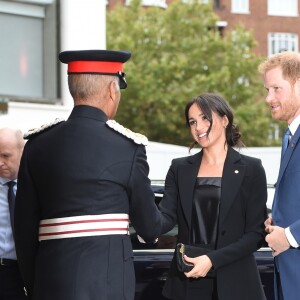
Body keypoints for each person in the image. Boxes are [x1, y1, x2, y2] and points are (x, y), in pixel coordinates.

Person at [14, 50, 162, 300]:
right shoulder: (128, 147)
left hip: (50, 287)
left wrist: (34, 285)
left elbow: (24, 230)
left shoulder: (37, 145)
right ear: (111, 91)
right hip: (108, 290)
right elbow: (150, 228)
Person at [158, 93, 267, 300]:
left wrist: (211, 259)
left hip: (236, 281)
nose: (198, 127)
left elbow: (255, 234)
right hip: (187, 281)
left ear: (225, 120)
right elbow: (165, 218)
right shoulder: (179, 168)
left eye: (205, 118)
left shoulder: (252, 169)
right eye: (192, 122)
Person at [258, 51, 300, 300]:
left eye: (276, 88)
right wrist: (277, 220)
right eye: (266, 89)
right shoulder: (289, 137)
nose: (268, 98)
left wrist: (289, 236)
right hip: (288, 274)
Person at [0, 128, 26, 300]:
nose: (0, 162)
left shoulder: (37, 187)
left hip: (24, 274)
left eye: (6, 156)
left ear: (22, 151)